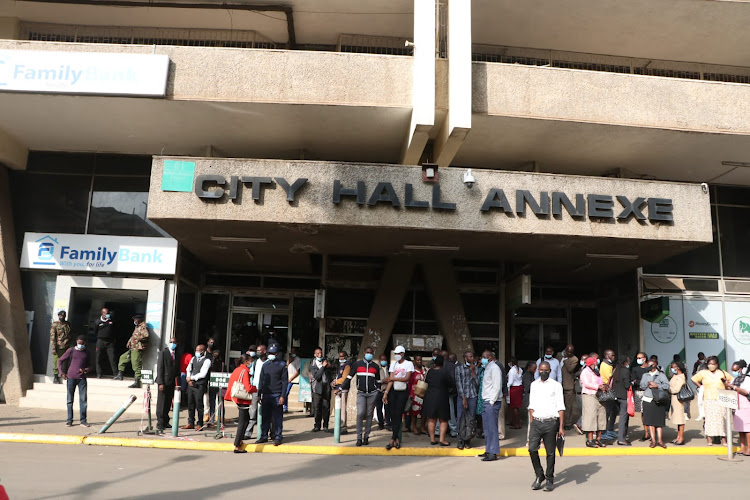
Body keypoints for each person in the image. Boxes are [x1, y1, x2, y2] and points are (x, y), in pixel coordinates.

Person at [528, 360, 565, 492]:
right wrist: (531, 424)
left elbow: (561, 407)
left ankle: (549, 479)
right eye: (541, 370)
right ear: (538, 370)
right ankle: (539, 475)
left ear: (550, 371)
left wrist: (561, 427)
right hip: (537, 422)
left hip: (551, 423)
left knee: (550, 453)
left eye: (546, 370)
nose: (543, 372)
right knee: (532, 449)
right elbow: (531, 407)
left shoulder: (556, 386)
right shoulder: (534, 385)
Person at [692, 355, 733, 446]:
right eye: (710, 364)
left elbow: (732, 380)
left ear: (717, 364)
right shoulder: (703, 373)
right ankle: (709, 439)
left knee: (722, 420)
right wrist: (701, 386)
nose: (711, 365)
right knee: (709, 420)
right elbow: (693, 379)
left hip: (721, 399)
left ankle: (723, 439)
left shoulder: (722, 373)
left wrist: (726, 384)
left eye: (713, 364)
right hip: (708, 399)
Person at [256, 344, 288, 446]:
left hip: (277, 394)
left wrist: (283, 396)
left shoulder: (282, 365)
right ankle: (264, 436)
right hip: (266, 394)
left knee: (277, 417)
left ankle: (278, 436)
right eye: (270, 353)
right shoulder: (265, 365)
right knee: (265, 417)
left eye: (273, 353)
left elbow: (284, 382)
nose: (271, 355)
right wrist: (259, 394)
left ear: (277, 354)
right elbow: (261, 381)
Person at [383, 345, 414, 450]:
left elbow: (407, 378)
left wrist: (394, 378)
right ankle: (395, 438)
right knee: (393, 414)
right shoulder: (393, 364)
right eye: (395, 354)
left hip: (402, 392)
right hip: (393, 392)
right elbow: (390, 381)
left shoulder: (408, 364)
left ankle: (393, 438)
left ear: (403, 354)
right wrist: (386, 393)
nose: (397, 356)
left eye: (398, 353)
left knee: (399, 413)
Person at [58, 335, 91, 427]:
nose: (80, 345)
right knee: (69, 400)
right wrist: (61, 373)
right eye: (79, 343)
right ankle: (69, 420)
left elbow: (90, 365)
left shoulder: (87, 352)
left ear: (85, 343)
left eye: (82, 343)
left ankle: (83, 420)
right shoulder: (71, 350)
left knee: (83, 400)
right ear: (76, 341)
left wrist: (86, 370)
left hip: (82, 379)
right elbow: (60, 360)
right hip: (71, 377)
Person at [422, 354, 454, 446]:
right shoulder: (445, 372)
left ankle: (432, 439)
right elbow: (451, 383)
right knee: (443, 420)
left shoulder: (430, 372)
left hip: (430, 397)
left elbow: (426, 382)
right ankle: (442, 439)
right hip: (442, 397)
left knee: (432, 419)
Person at [478, 350, 503, 462]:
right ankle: (488, 449)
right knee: (487, 428)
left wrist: (492, 401)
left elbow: (497, 386)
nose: (482, 359)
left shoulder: (495, 368)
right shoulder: (487, 368)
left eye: (484, 357)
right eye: (482, 357)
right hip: (486, 400)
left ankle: (493, 452)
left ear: (490, 357)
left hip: (492, 401)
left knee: (492, 428)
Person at [351, 347, 380, 446]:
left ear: (373, 353)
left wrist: (378, 389)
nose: (369, 354)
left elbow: (378, 380)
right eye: (367, 352)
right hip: (361, 393)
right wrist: (341, 387)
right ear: (364, 352)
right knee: (360, 414)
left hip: (372, 393)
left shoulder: (375, 366)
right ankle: (359, 437)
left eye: (371, 352)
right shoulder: (357, 364)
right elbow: (349, 377)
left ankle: (366, 436)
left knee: (369, 414)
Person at [227, 354, 254, 453]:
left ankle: (239, 441)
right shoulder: (244, 371)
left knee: (245, 420)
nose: (251, 363)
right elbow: (248, 387)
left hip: (238, 398)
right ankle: (237, 445)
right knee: (243, 422)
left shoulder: (237, 369)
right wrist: (256, 389)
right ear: (246, 362)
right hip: (243, 399)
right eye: (250, 361)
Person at [640, 358, 670, 448]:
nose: (648, 366)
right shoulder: (645, 375)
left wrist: (657, 385)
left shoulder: (661, 375)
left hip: (659, 400)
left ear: (655, 365)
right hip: (648, 399)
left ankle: (660, 440)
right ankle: (653, 440)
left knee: (659, 421)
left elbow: (667, 385)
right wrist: (648, 383)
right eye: (647, 365)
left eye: (650, 365)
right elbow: (642, 386)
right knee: (650, 421)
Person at [114, 314, 149, 388]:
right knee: (123, 358)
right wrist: (130, 341)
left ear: (139, 319)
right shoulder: (137, 327)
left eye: (136, 319)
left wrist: (137, 339)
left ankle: (137, 382)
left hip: (137, 348)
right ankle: (120, 375)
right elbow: (133, 336)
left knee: (136, 365)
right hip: (132, 348)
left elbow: (146, 335)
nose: (135, 321)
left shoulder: (143, 327)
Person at [181, 344, 210, 431]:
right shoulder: (193, 358)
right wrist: (188, 379)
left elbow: (203, 373)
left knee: (199, 405)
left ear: (203, 351)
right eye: (196, 350)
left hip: (199, 385)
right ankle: (190, 422)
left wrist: (192, 378)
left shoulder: (207, 360)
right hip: (191, 385)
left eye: (199, 350)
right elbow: (188, 369)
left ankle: (200, 423)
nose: (197, 352)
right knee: (190, 404)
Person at [580, 354, 607, 448]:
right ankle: (590, 440)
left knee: (601, 416)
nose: (596, 364)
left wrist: (603, 386)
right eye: (595, 362)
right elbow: (586, 384)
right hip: (589, 395)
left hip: (599, 395)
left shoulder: (596, 371)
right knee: (590, 417)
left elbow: (600, 381)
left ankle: (598, 439)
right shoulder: (585, 372)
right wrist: (597, 386)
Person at [455, 351, 480, 449]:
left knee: (471, 419)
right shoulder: (459, 369)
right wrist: (463, 398)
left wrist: (473, 372)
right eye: (470, 356)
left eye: (473, 356)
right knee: (460, 419)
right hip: (462, 397)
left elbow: (477, 383)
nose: (472, 358)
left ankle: (468, 439)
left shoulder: (476, 369)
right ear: (465, 358)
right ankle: (460, 440)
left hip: (473, 396)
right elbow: (458, 384)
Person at [155, 336, 179, 433]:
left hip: (171, 382)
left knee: (168, 402)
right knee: (161, 403)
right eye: (171, 342)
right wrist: (160, 382)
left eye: (174, 342)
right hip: (163, 382)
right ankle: (160, 423)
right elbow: (160, 368)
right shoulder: (163, 353)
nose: (172, 343)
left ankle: (165, 421)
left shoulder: (176, 354)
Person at [244, 344, 267, 440]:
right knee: (252, 412)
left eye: (259, 350)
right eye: (256, 350)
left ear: (264, 351)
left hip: (266, 390)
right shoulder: (256, 362)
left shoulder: (269, 363)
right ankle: (248, 433)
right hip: (255, 389)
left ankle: (265, 433)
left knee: (266, 413)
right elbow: (251, 373)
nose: (257, 352)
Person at [727, 360, 750, 456]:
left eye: (735, 370)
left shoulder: (747, 379)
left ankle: (749, 448)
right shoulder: (734, 379)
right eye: (732, 370)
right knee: (740, 428)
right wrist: (727, 385)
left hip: (745, 405)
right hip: (736, 406)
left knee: (747, 428)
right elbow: (731, 388)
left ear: (740, 369)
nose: (734, 372)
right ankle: (742, 447)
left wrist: (733, 387)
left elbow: (746, 392)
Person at [309, 347, 332, 432]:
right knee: (317, 408)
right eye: (318, 353)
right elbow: (317, 376)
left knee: (326, 407)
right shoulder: (312, 365)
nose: (320, 355)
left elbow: (331, 371)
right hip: (317, 388)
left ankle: (325, 425)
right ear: (315, 355)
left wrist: (328, 366)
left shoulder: (326, 362)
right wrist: (322, 367)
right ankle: (317, 425)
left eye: (321, 353)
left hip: (326, 387)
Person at [610, 355, 631, 445]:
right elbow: (627, 385)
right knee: (623, 417)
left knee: (617, 415)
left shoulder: (615, 370)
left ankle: (621, 435)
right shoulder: (625, 371)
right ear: (625, 362)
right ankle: (621, 439)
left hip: (615, 396)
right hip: (623, 397)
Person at [630, 352, 650, 441]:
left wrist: (640, 382)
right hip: (639, 393)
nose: (638, 359)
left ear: (644, 358)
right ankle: (646, 432)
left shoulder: (650, 369)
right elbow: (634, 380)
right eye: (637, 358)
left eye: (640, 358)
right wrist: (643, 383)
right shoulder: (635, 369)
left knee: (650, 412)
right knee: (643, 413)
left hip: (650, 392)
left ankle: (651, 431)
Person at [94, 307, 117, 379]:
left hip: (109, 342)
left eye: (108, 313)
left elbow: (114, 330)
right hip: (100, 341)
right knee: (98, 357)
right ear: (102, 314)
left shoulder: (111, 321)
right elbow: (95, 331)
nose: (107, 315)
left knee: (112, 358)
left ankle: (115, 374)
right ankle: (99, 373)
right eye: (105, 313)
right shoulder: (97, 322)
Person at [668, 360, 688, 445]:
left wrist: (668, 389)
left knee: (680, 419)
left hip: (678, 399)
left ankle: (681, 438)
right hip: (674, 399)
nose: (671, 369)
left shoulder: (680, 377)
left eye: (673, 367)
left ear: (677, 368)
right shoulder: (675, 376)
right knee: (677, 419)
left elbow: (676, 389)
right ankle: (678, 437)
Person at [332, 351, 351, 435]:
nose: (341, 358)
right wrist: (334, 382)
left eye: (342, 356)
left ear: (346, 356)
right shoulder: (340, 366)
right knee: (338, 408)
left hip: (343, 389)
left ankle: (343, 427)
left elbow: (344, 379)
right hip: (337, 389)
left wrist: (335, 382)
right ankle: (338, 426)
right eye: (339, 356)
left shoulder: (347, 365)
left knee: (343, 408)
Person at [49, 310, 71, 384]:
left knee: (66, 361)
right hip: (59, 346)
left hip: (66, 346)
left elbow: (69, 335)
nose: (62, 317)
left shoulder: (67, 324)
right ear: (58, 316)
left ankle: (64, 374)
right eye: (60, 316)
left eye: (63, 316)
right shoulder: (55, 324)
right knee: (56, 361)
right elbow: (53, 337)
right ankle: (55, 377)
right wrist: (53, 348)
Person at [561, 345, 579, 430]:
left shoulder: (574, 359)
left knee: (568, 405)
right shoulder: (558, 356)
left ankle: (567, 423)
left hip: (568, 384)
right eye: (567, 351)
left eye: (570, 352)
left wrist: (565, 360)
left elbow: (570, 369)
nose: (568, 353)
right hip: (557, 384)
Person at [206, 337, 223, 428]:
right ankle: (207, 417)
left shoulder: (216, 354)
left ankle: (214, 419)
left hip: (214, 380)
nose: (211, 344)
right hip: (205, 379)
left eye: (213, 342)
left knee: (215, 400)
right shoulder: (204, 353)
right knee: (207, 401)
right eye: (210, 342)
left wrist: (215, 357)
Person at [600, 349, 618, 436]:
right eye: (612, 355)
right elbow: (610, 378)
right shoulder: (605, 366)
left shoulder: (609, 365)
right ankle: (603, 431)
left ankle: (610, 429)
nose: (614, 357)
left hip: (610, 391)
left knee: (615, 410)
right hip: (608, 391)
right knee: (607, 411)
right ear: (607, 356)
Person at [408, 355, 427, 435]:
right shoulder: (412, 372)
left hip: (424, 393)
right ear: (414, 361)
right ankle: (414, 427)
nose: (419, 361)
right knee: (414, 412)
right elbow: (409, 383)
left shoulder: (424, 370)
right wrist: (409, 394)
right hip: (414, 394)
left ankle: (422, 427)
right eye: (417, 360)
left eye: (420, 360)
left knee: (424, 412)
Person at [507, 357, 523, 429]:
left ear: (511, 363)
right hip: (519, 388)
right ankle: (518, 422)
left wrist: (505, 388)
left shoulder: (511, 371)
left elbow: (510, 382)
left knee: (514, 407)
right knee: (517, 407)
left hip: (514, 388)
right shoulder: (520, 369)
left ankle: (516, 424)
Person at [376, 353, 391, 431]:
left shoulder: (389, 368)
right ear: (379, 360)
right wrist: (382, 381)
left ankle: (388, 424)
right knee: (379, 408)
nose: (383, 361)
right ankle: (380, 424)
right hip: (379, 391)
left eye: (385, 359)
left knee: (387, 408)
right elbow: (374, 380)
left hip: (387, 391)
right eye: (382, 360)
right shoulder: (377, 369)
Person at [285, 347, 301, 413]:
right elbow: (286, 366)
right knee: (285, 393)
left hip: (294, 378)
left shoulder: (298, 359)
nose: (292, 353)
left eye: (293, 352)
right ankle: (285, 408)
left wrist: (291, 378)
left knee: (287, 391)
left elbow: (298, 370)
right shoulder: (290, 359)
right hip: (288, 377)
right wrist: (289, 360)